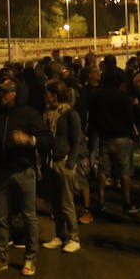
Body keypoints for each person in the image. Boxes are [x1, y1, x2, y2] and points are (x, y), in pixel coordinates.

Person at [0, 76, 47, 277]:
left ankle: (30, 258)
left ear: (15, 94)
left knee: (29, 216)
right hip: (1, 171)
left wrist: (29, 139)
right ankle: (0, 257)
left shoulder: (29, 114)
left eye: (5, 91)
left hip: (23, 171)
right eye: (0, 91)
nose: (1, 94)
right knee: (0, 217)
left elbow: (47, 139)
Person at [40, 80, 85, 254]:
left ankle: (74, 237)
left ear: (55, 95)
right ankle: (60, 235)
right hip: (50, 161)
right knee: (55, 202)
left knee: (67, 202)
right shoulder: (47, 113)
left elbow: (76, 140)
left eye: (47, 93)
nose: (45, 96)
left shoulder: (69, 114)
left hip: (63, 161)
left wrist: (71, 161)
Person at [90, 67, 138, 215]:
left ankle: (101, 200)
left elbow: (93, 117)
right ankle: (126, 202)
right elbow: (130, 117)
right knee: (124, 171)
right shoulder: (123, 97)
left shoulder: (97, 95)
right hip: (122, 137)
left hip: (104, 136)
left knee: (103, 170)